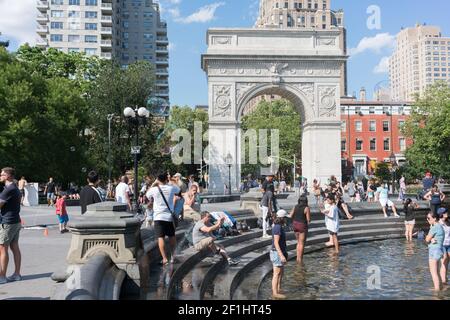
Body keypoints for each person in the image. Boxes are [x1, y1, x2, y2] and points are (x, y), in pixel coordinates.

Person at [146, 173, 181, 265]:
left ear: (158, 179)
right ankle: (173, 257)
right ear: (166, 179)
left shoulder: (154, 189)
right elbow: (178, 189)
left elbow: (147, 195)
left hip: (158, 217)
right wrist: (170, 180)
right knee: (172, 236)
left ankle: (165, 259)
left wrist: (155, 182)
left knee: (160, 237)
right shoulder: (171, 188)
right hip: (169, 217)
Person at [0, 167, 22, 284]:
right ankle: (17, 274)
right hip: (15, 221)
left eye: (2, 174)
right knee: (14, 247)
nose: (0, 175)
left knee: (3, 248)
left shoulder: (8, 189)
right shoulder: (14, 188)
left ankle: (2, 277)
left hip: (8, 222)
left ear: (8, 175)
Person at [270, 209, 289, 299]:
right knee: (276, 273)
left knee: (281, 272)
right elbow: (276, 242)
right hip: (276, 253)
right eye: (285, 218)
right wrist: (281, 255)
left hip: (279, 252)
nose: (286, 219)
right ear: (282, 218)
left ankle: (278, 289)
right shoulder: (277, 227)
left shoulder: (279, 226)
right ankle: (275, 293)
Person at [425, 212, 445, 291]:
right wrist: (431, 239)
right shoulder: (440, 226)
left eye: (429, 218)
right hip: (439, 250)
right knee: (436, 271)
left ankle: (437, 291)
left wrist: (428, 238)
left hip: (434, 250)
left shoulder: (434, 227)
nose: (427, 219)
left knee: (433, 272)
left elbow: (427, 240)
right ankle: (440, 287)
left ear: (435, 218)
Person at [289, 196, 311, 264]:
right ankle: (300, 259)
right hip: (302, 225)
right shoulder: (306, 208)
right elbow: (308, 220)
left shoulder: (295, 206)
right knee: (301, 243)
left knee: (298, 242)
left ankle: (297, 258)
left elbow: (290, 215)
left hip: (295, 225)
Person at [438, 208, 450, 286]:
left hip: (449, 244)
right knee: (444, 261)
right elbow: (432, 233)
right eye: (445, 212)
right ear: (441, 214)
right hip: (442, 244)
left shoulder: (448, 222)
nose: (447, 213)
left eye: (446, 211)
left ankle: (445, 279)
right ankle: (443, 281)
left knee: (447, 262)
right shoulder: (438, 223)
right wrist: (432, 240)